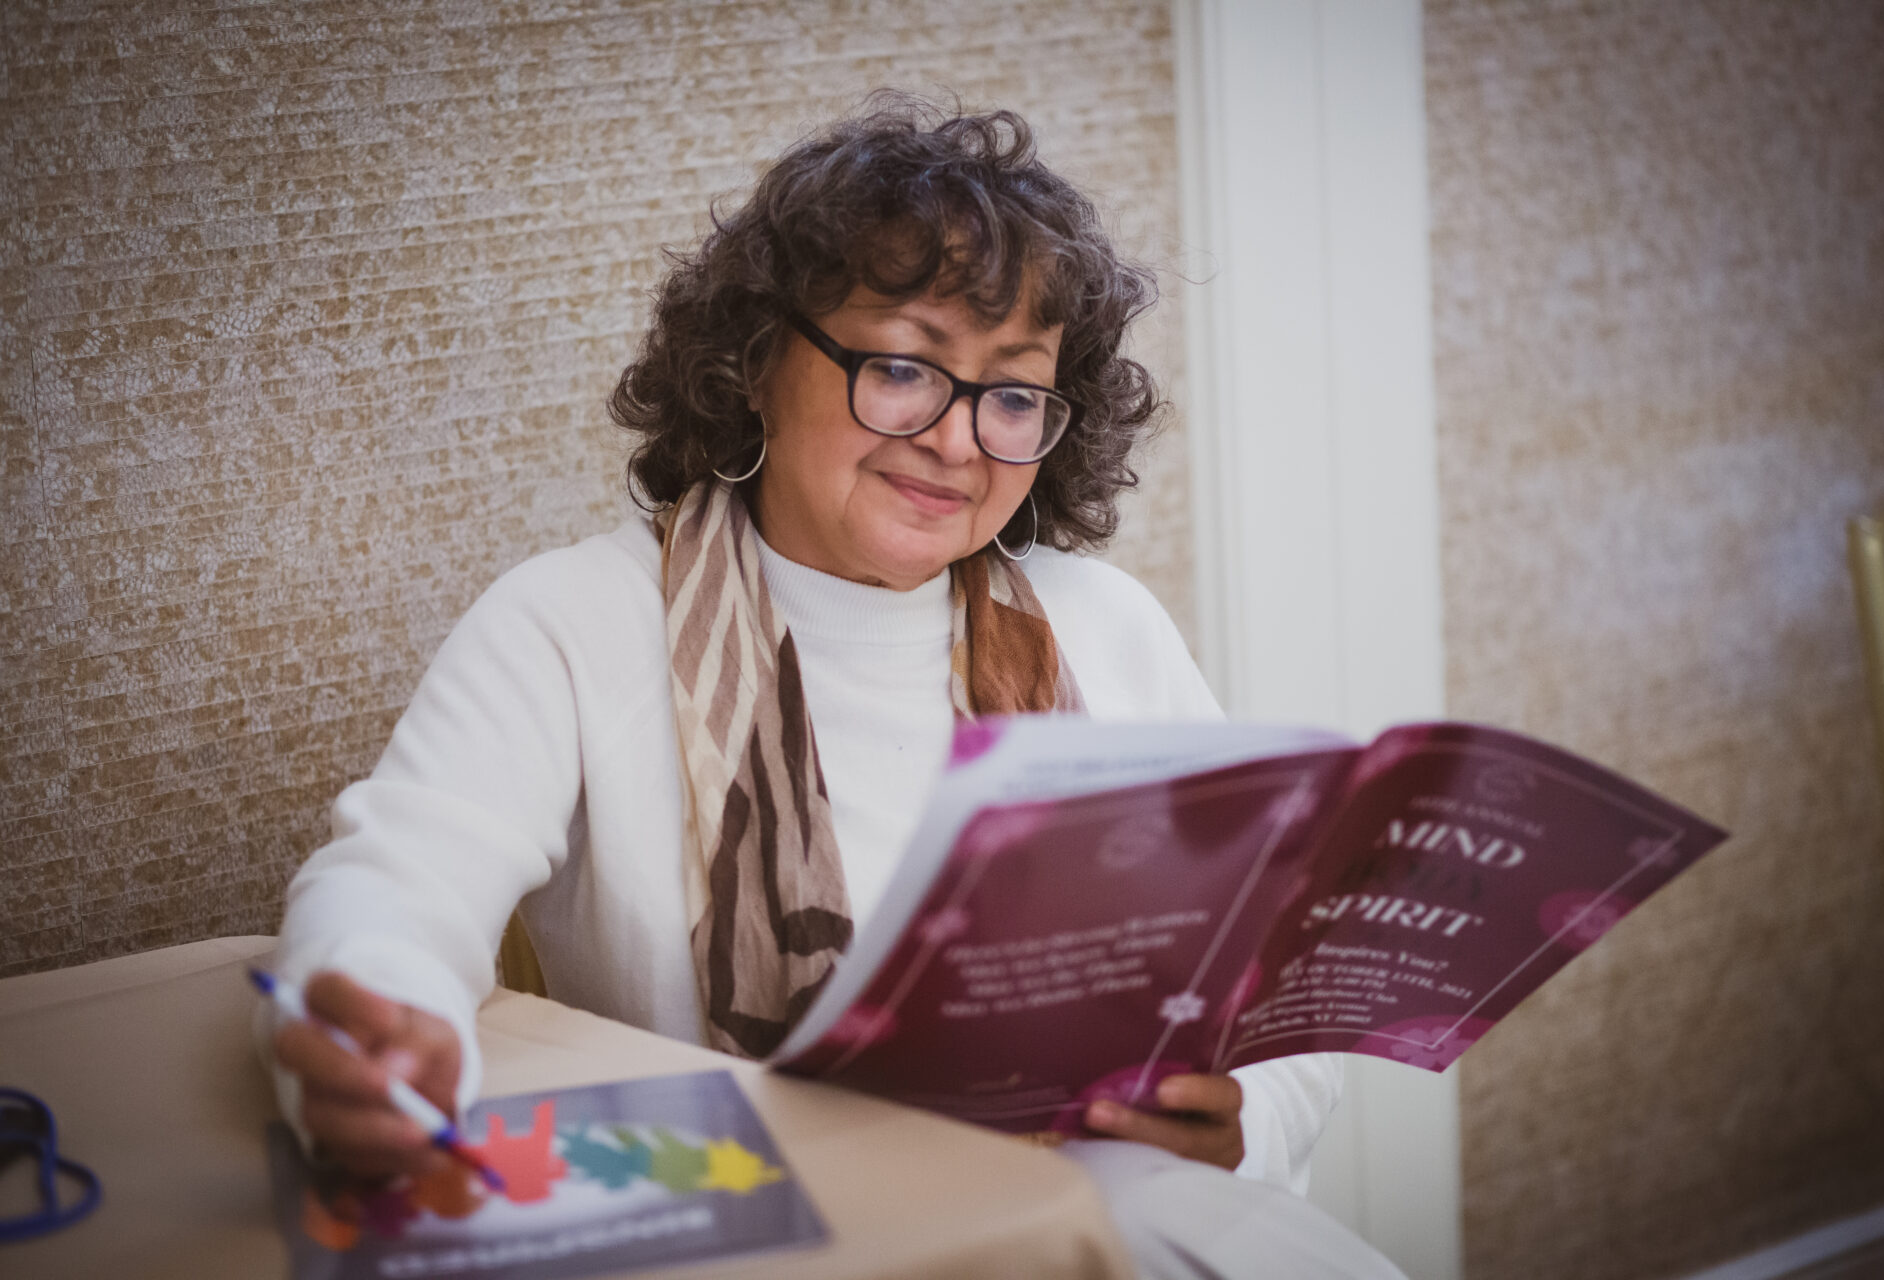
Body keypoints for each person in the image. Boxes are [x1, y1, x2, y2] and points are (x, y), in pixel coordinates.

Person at [263, 97, 1383, 1276]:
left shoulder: (1106, 627)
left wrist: (1243, 1120)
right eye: (903, 367)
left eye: (1012, 394)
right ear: (755, 362)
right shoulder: (572, 623)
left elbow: (1274, 995)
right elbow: (389, 895)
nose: (959, 440)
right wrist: (371, 1041)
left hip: (1097, 1225)